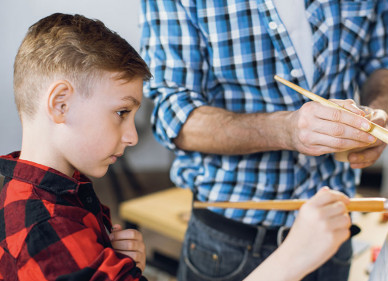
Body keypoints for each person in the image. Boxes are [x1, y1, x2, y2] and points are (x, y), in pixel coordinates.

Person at [0, 12, 352, 281]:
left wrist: (116, 265)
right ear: (60, 103)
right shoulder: (43, 228)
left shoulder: (29, 189)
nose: (132, 136)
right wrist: (293, 259)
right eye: (121, 112)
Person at [140, 0, 388, 280]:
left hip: (334, 229)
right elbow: (174, 117)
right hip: (231, 242)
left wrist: (377, 110)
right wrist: (286, 130)